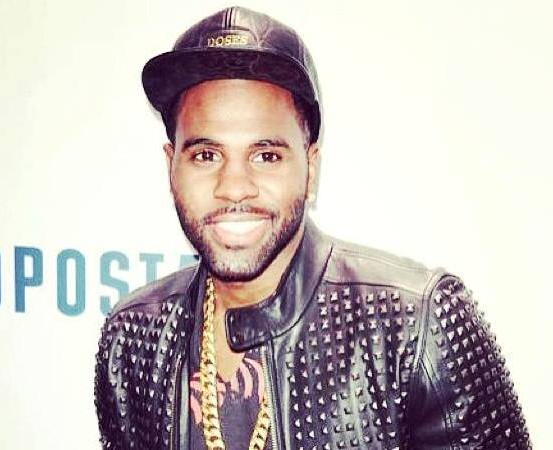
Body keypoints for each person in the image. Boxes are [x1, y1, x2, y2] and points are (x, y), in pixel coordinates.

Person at [94, 6, 531, 449]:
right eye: (207, 155)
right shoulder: (134, 337)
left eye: (266, 155)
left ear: (311, 168)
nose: (234, 187)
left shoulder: (414, 323)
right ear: (172, 166)